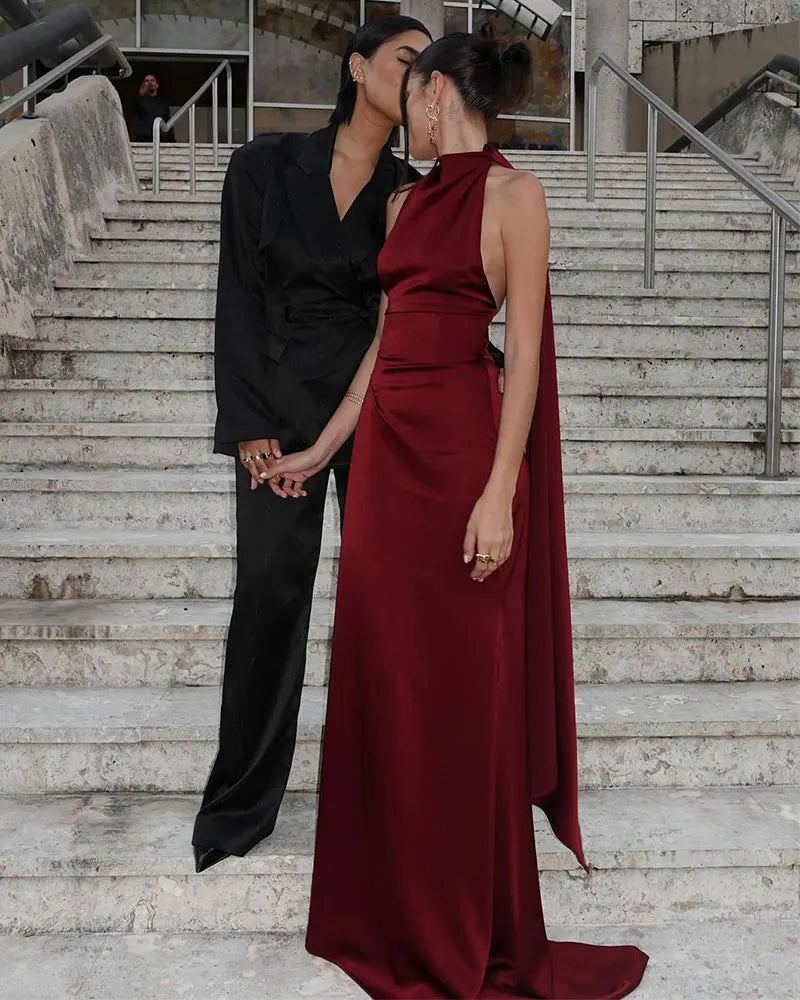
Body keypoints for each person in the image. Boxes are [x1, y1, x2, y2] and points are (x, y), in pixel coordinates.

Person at [265, 32, 650, 1000]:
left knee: (458, 701)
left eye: (411, 88)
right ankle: (384, 907)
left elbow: (521, 355)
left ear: (439, 91)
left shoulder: (513, 196)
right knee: (384, 681)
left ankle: (466, 921)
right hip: (389, 467)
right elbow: (384, 342)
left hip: (460, 460)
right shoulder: (402, 199)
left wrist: (497, 492)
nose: (404, 106)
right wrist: (322, 446)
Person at [192, 15, 447, 874]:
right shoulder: (263, 166)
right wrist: (250, 423)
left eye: (429, 71)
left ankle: (390, 807)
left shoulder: (414, 193)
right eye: (406, 61)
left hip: (377, 414)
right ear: (358, 67)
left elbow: (413, 316)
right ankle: (238, 808)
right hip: (280, 404)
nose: (418, 80)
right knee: (267, 595)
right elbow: (237, 296)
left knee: (385, 607)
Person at [129, 72, 175, 142]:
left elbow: (167, 122)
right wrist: (140, 95)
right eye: (146, 81)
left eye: (152, 80)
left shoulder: (163, 104)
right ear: (143, 85)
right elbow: (131, 112)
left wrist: (171, 140)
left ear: (157, 85)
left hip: (160, 140)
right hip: (143, 140)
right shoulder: (139, 101)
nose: (150, 82)